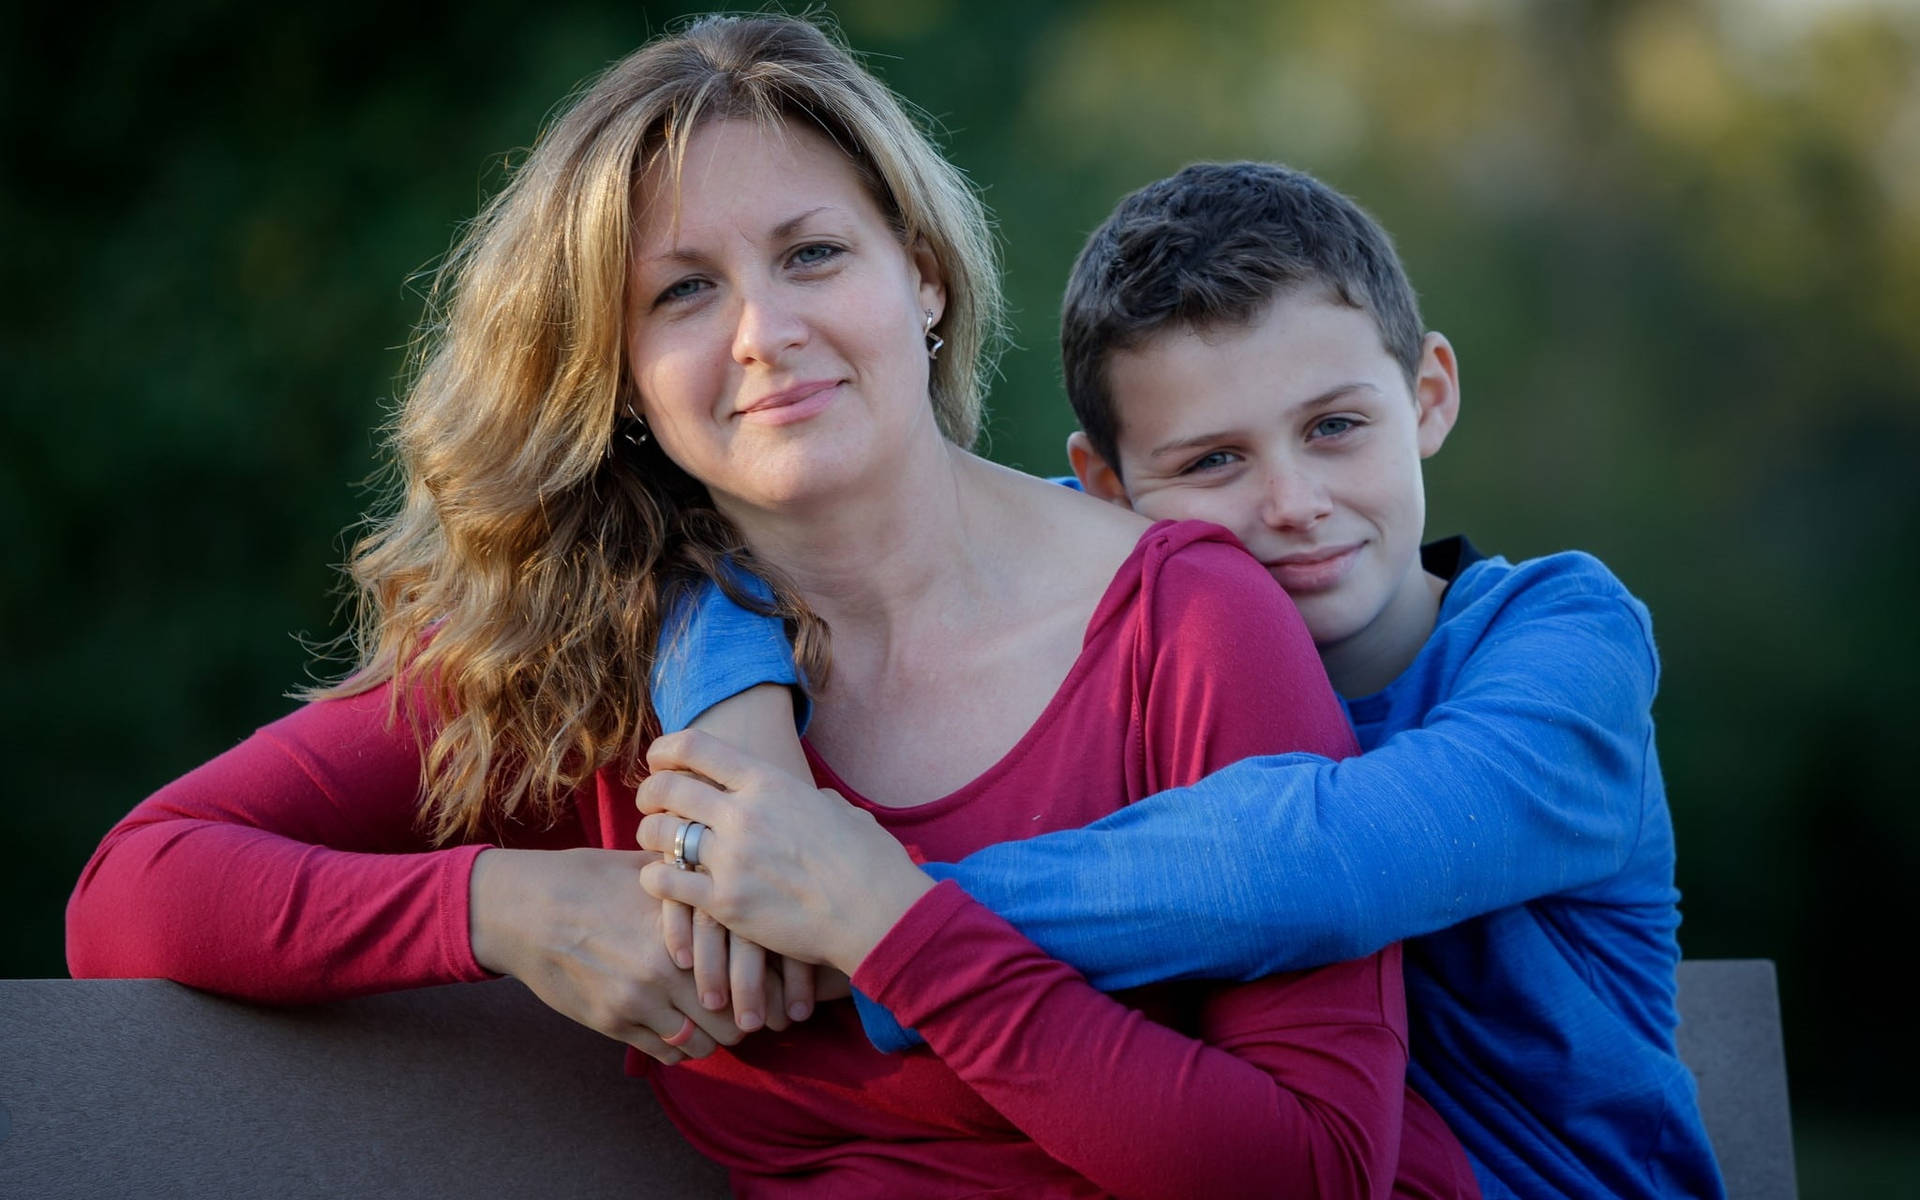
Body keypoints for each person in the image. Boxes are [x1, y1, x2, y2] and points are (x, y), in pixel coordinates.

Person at [66, 16, 1476, 1199]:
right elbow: (137, 890)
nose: (765, 332)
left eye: (812, 254)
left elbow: (1320, 1163)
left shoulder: (1187, 621)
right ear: (614, 376)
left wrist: (892, 928)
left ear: (918, 276)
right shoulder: (587, 655)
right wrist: (509, 904)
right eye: (684, 291)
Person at [642, 162, 1725, 1199]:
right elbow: (783, 547)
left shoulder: (1566, 643)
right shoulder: (1155, 644)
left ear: (1429, 394)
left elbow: (1325, 860)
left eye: (1335, 427)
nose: (1293, 500)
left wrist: (882, 915)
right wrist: (737, 716)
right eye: (1213, 462)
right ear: (1102, 489)